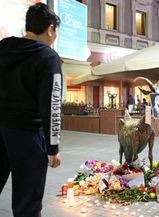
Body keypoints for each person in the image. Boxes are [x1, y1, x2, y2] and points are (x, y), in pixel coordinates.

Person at [0, 3, 62, 217]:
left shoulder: (3, 48)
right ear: (50, 29)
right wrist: (53, 148)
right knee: (27, 202)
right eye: (55, 34)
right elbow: (52, 105)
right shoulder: (48, 57)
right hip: (28, 135)